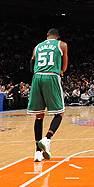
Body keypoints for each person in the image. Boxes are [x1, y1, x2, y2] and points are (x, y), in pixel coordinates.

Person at [27, 29, 68, 162]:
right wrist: (60, 71)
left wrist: (37, 73)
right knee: (60, 113)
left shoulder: (37, 46)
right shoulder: (62, 45)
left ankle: (37, 152)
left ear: (47, 36)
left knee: (39, 116)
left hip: (37, 77)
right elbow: (64, 68)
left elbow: (31, 63)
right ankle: (47, 139)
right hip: (51, 76)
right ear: (58, 37)